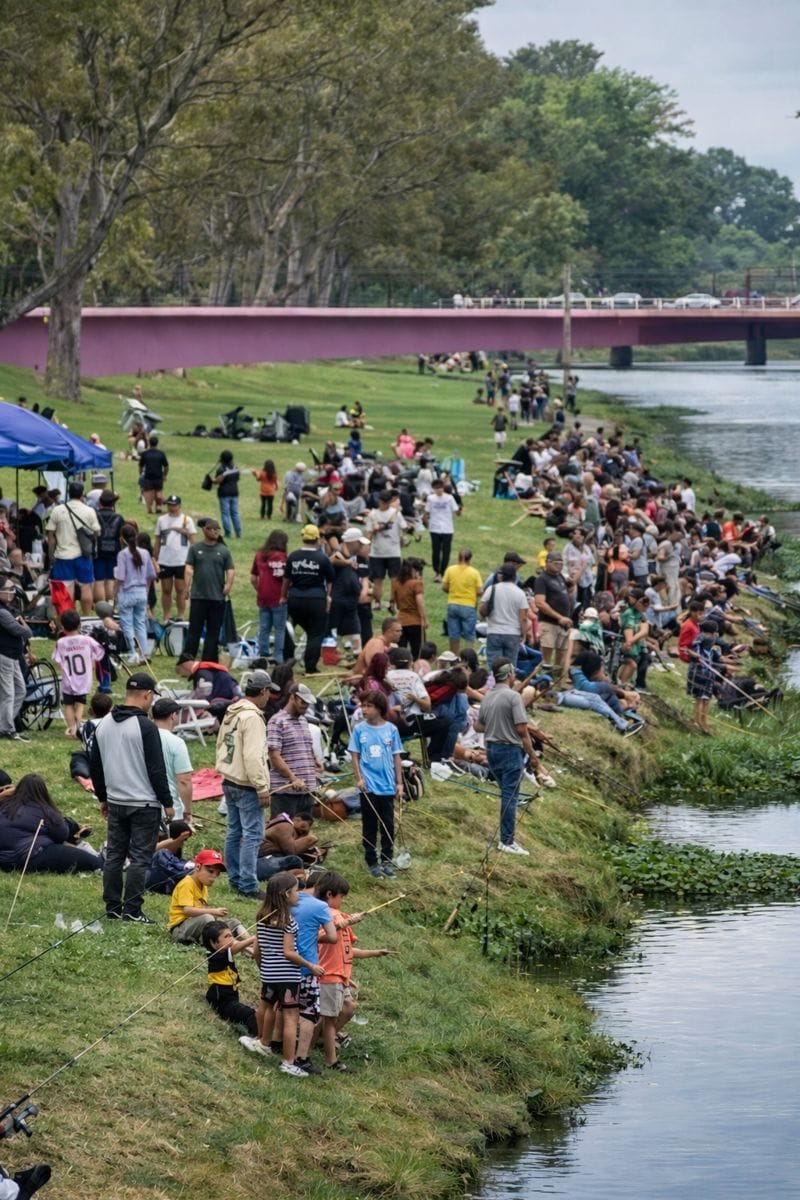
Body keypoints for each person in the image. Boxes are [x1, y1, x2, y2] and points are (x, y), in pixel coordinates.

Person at [90, 673, 173, 922]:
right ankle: (133, 910)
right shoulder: (146, 727)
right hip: (144, 802)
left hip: (116, 800)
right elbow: (156, 768)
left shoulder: (103, 723)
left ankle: (113, 907)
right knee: (140, 858)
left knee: (115, 855)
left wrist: (103, 797)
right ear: (147, 694)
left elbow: (96, 766)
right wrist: (167, 802)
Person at [252, 872, 326, 1077]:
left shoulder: (261, 917)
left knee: (267, 1008)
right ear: (286, 894)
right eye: (295, 891)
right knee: (291, 1018)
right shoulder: (289, 922)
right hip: (288, 977)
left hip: (268, 974)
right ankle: (288, 1062)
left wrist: (263, 967)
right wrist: (310, 966)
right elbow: (289, 953)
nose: (298, 894)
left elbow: (257, 951)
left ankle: (263, 1042)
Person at [316, 872, 390, 1071]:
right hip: (329, 974)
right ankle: (330, 1059)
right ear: (330, 894)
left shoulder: (339, 917)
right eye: (342, 896)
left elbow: (346, 949)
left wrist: (374, 953)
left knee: (342, 1010)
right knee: (330, 1019)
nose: (343, 900)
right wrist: (347, 922)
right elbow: (321, 937)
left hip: (339, 975)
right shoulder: (327, 915)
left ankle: (316, 1043)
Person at [215, 668, 276, 899]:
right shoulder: (252, 717)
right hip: (246, 782)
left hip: (229, 778)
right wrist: (261, 786)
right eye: (268, 691)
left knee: (234, 830)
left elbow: (221, 743)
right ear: (261, 691)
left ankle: (234, 877)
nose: (269, 696)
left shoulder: (233, 711)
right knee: (253, 834)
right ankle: (248, 884)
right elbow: (253, 756)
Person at [475, 659, 538, 856]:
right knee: (510, 797)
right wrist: (533, 757)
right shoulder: (513, 697)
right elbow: (521, 729)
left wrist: (496, 724)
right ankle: (507, 841)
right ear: (510, 674)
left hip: (492, 751)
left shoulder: (488, 696)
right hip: (510, 751)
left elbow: (478, 726)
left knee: (507, 795)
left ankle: (506, 838)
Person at [348, 690, 403, 878]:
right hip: (368, 786)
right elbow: (354, 755)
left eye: (368, 706)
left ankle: (387, 859)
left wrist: (399, 783)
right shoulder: (359, 729)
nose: (364, 709)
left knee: (388, 824)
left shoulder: (392, 730)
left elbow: (397, 757)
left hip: (387, 786)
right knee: (369, 824)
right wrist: (359, 779)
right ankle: (371, 860)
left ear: (379, 708)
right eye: (363, 705)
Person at [0, 773, 100, 873]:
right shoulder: (44, 810)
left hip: (4, 860)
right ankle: (101, 862)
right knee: (94, 862)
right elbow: (62, 834)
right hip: (31, 855)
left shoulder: (4, 807)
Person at [282, 525, 334, 675]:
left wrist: (283, 596)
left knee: (288, 628)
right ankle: (310, 666)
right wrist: (328, 596)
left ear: (302, 537)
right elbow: (330, 580)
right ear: (317, 538)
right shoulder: (322, 558)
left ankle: (287, 659)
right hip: (316, 599)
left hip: (295, 598)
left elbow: (286, 580)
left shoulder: (293, 556)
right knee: (315, 634)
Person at [168, 847, 249, 944]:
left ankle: (250, 943)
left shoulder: (203, 886)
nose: (213, 877)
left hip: (198, 923)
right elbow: (187, 911)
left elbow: (201, 909)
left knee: (232, 922)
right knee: (207, 918)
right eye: (210, 871)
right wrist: (213, 911)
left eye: (217, 873)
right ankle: (235, 945)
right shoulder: (187, 883)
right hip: (180, 929)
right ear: (198, 867)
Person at [46, 481, 101, 615]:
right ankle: (86, 616)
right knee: (86, 586)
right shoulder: (89, 510)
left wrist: (51, 555)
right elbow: (97, 531)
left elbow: (50, 536)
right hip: (83, 555)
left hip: (63, 555)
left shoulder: (58, 510)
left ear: (69, 493)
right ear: (83, 494)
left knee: (67, 588)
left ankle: (69, 618)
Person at [184, 518, 235, 663]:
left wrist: (229, 584)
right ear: (205, 530)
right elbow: (188, 568)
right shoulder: (195, 549)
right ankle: (188, 658)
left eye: (217, 529)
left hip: (217, 597)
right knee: (195, 629)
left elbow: (230, 569)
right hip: (199, 596)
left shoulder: (223, 550)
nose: (215, 532)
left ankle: (209, 659)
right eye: (212, 529)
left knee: (213, 631)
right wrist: (186, 588)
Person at [267, 683, 320, 818]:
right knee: (283, 833)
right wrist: (292, 778)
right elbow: (274, 755)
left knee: (303, 833)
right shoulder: (277, 721)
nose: (306, 706)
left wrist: (314, 762)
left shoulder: (303, 721)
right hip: (285, 792)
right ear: (292, 697)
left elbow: (305, 748)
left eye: (308, 703)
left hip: (306, 789)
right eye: (303, 701)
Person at [202, 920, 259, 1043]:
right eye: (226, 937)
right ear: (213, 943)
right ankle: (257, 1037)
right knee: (250, 1014)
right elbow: (234, 948)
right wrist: (253, 938)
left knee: (253, 1013)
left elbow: (236, 945)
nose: (231, 939)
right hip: (222, 1001)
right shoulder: (216, 956)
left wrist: (250, 950)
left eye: (231, 935)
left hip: (231, 999)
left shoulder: (223, 950)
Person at [52, 608, 105, 738]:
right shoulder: (87, 640)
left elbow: (56, 659)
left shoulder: (60, 642)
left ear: (63, 627)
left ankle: (72, 728)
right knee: (80, 703)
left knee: (68, 705)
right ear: (79, 625)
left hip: (68, 680)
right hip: (83, 679)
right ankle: (78, 727)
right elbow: (99, 652)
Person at [114, 523, 157, 666]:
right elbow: (151, 575)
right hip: (141, 592)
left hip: (127, 592)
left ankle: (132, 653)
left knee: (126, 624)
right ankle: (144, 653)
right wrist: (146, 589)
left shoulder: (123, 554)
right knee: (140, 623)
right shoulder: (145, 553)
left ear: (122, 539)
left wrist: (114, 594)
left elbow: (120, 577)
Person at [533, 550, 575, 680]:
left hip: (563, 624)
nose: (560, 566)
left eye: (561, 563)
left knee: (561, 656)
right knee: (546, 656)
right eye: (556, 563)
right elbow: (540, 603)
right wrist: (559, 617)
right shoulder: (542, 579)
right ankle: (542, 681)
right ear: (548, 563)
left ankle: (556, 681)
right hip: (549, 623)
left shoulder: (560, 577)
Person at [154, 496, 196, 623]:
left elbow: (193, 541)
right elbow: (157, 541)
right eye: (169, 505)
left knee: (180, 589)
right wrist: (155, 558)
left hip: (181, 560)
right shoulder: (161, 520)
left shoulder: (187, 520)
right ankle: (167, 615)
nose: (171, 507)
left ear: (179, 505)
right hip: (165, 560)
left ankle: (180, 615)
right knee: (166, 589)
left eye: (173, 505)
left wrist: (185, 532)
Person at [151, 697, 194, 821]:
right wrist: (188, 810)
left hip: (142, 806)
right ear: (173, 716)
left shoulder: (141, 737)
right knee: (171, 840)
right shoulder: (176, 743)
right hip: (170, 809)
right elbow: (184, 781)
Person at [480, 561, 530, 665]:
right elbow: (523, 617)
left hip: (494, 631)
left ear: (501, 576)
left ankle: (493, 681)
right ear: (514, 576)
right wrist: (524, 634)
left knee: (493, 665)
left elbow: (482, 609)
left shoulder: (491, 589)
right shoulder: (520, 593)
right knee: (510, 667)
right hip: (513, 633)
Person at [0, 578, 31, 742]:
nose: (12, 592)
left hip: (13, 656)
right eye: (8, 589)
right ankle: (7, 729)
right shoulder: (3, 612)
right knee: (8, 693)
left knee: (20, 691)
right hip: (4, 655)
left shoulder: (9, 609)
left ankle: (4, 725)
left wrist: (22, 625)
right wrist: (23, 625)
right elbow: (24, 631)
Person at [250, 529, 288, 662]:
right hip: (279, 597)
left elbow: (253, 578)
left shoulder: (260, 554)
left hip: (263, 597)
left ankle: (263, 654)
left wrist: (259, 589)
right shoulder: (283, 557)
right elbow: (286, 579)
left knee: (264, 627)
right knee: (279, 628)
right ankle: (278, 656)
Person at [364, 490, 406, 608]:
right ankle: (388, 602)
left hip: (381, 552)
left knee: (382, 579)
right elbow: (404, 527)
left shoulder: (373, 514)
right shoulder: (395, 513)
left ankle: (382, 602)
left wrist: (367, 546)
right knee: (389, 578)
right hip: (388, 552)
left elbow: (368, 533)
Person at [257, 811, 318, 879]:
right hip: (259, 861)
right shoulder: (285, 826)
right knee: (294, 860)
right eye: (302, 826)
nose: (301, 831)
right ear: (296, 819)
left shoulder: (291, 830)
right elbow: (291, 851)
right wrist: (310, 839)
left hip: (265, 860)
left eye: (304, 832)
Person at [424, 477, 460, 583]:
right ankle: (436, 571)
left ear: (443, 488)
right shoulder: (431, 498)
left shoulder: (449, 498)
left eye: (440, 488)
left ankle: (443, 572)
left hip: (447, 528)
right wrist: (425, 521)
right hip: (434, 527)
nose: (438, 490)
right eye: (436, 488)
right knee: (435, 550)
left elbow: (456, 510)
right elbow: (427, 511)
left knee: (446, 551)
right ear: (433, 489)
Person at [392, 558, 427, 660]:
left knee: (400, 653)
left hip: (401, 621)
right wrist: (424, 618)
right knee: (418, 652)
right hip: (415, 621)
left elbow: (397, 604)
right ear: (413, 571)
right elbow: (419, 602)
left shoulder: (397, 583)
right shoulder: (416, 584)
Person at [93, 489, 124, 603]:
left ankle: (100, 604)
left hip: (98, 550)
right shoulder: (119, 518)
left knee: (99, 579)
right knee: (110, 579)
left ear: (100, 502)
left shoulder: (94, 515)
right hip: (113, 550)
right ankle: (110, 602)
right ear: (113, 503)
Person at [212, 449, 242, 538]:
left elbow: (219, 481)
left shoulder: (221, 469)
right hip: (234, 491)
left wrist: (213, 480)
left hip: (224, 493)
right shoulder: (235, 468)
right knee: (235, 513)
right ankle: (238, 532)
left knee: (225, 513)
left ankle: (228, 533)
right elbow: (237, 478)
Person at [137, 435, 169, 515]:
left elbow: (140, 465)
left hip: (148, 476)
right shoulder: (161, 453)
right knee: (159, 492)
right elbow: (166, 466)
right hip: (158, 476)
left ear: (149, 443)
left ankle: (150, 508)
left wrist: (141, 474)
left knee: (149, 492)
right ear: (157, 443)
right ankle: (158, 507)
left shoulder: (145, 453)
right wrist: (164, 475)